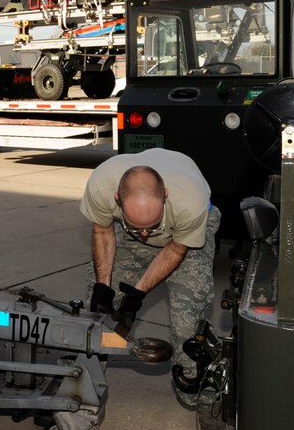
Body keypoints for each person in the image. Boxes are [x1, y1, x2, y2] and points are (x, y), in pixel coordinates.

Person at [79, 148, 220, 407]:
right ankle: (83, 382)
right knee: (96, 312)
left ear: (165, 196)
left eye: (151, 226)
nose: (144, 235)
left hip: (183, 238)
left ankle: (190, 385)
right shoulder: (101, 186)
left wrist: (137, 294)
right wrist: (103, 287)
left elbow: (176, 249)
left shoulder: (190, 201)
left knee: (186, 319)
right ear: (117, 199)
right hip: (127, 234)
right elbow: (102, 231)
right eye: (136, 226)